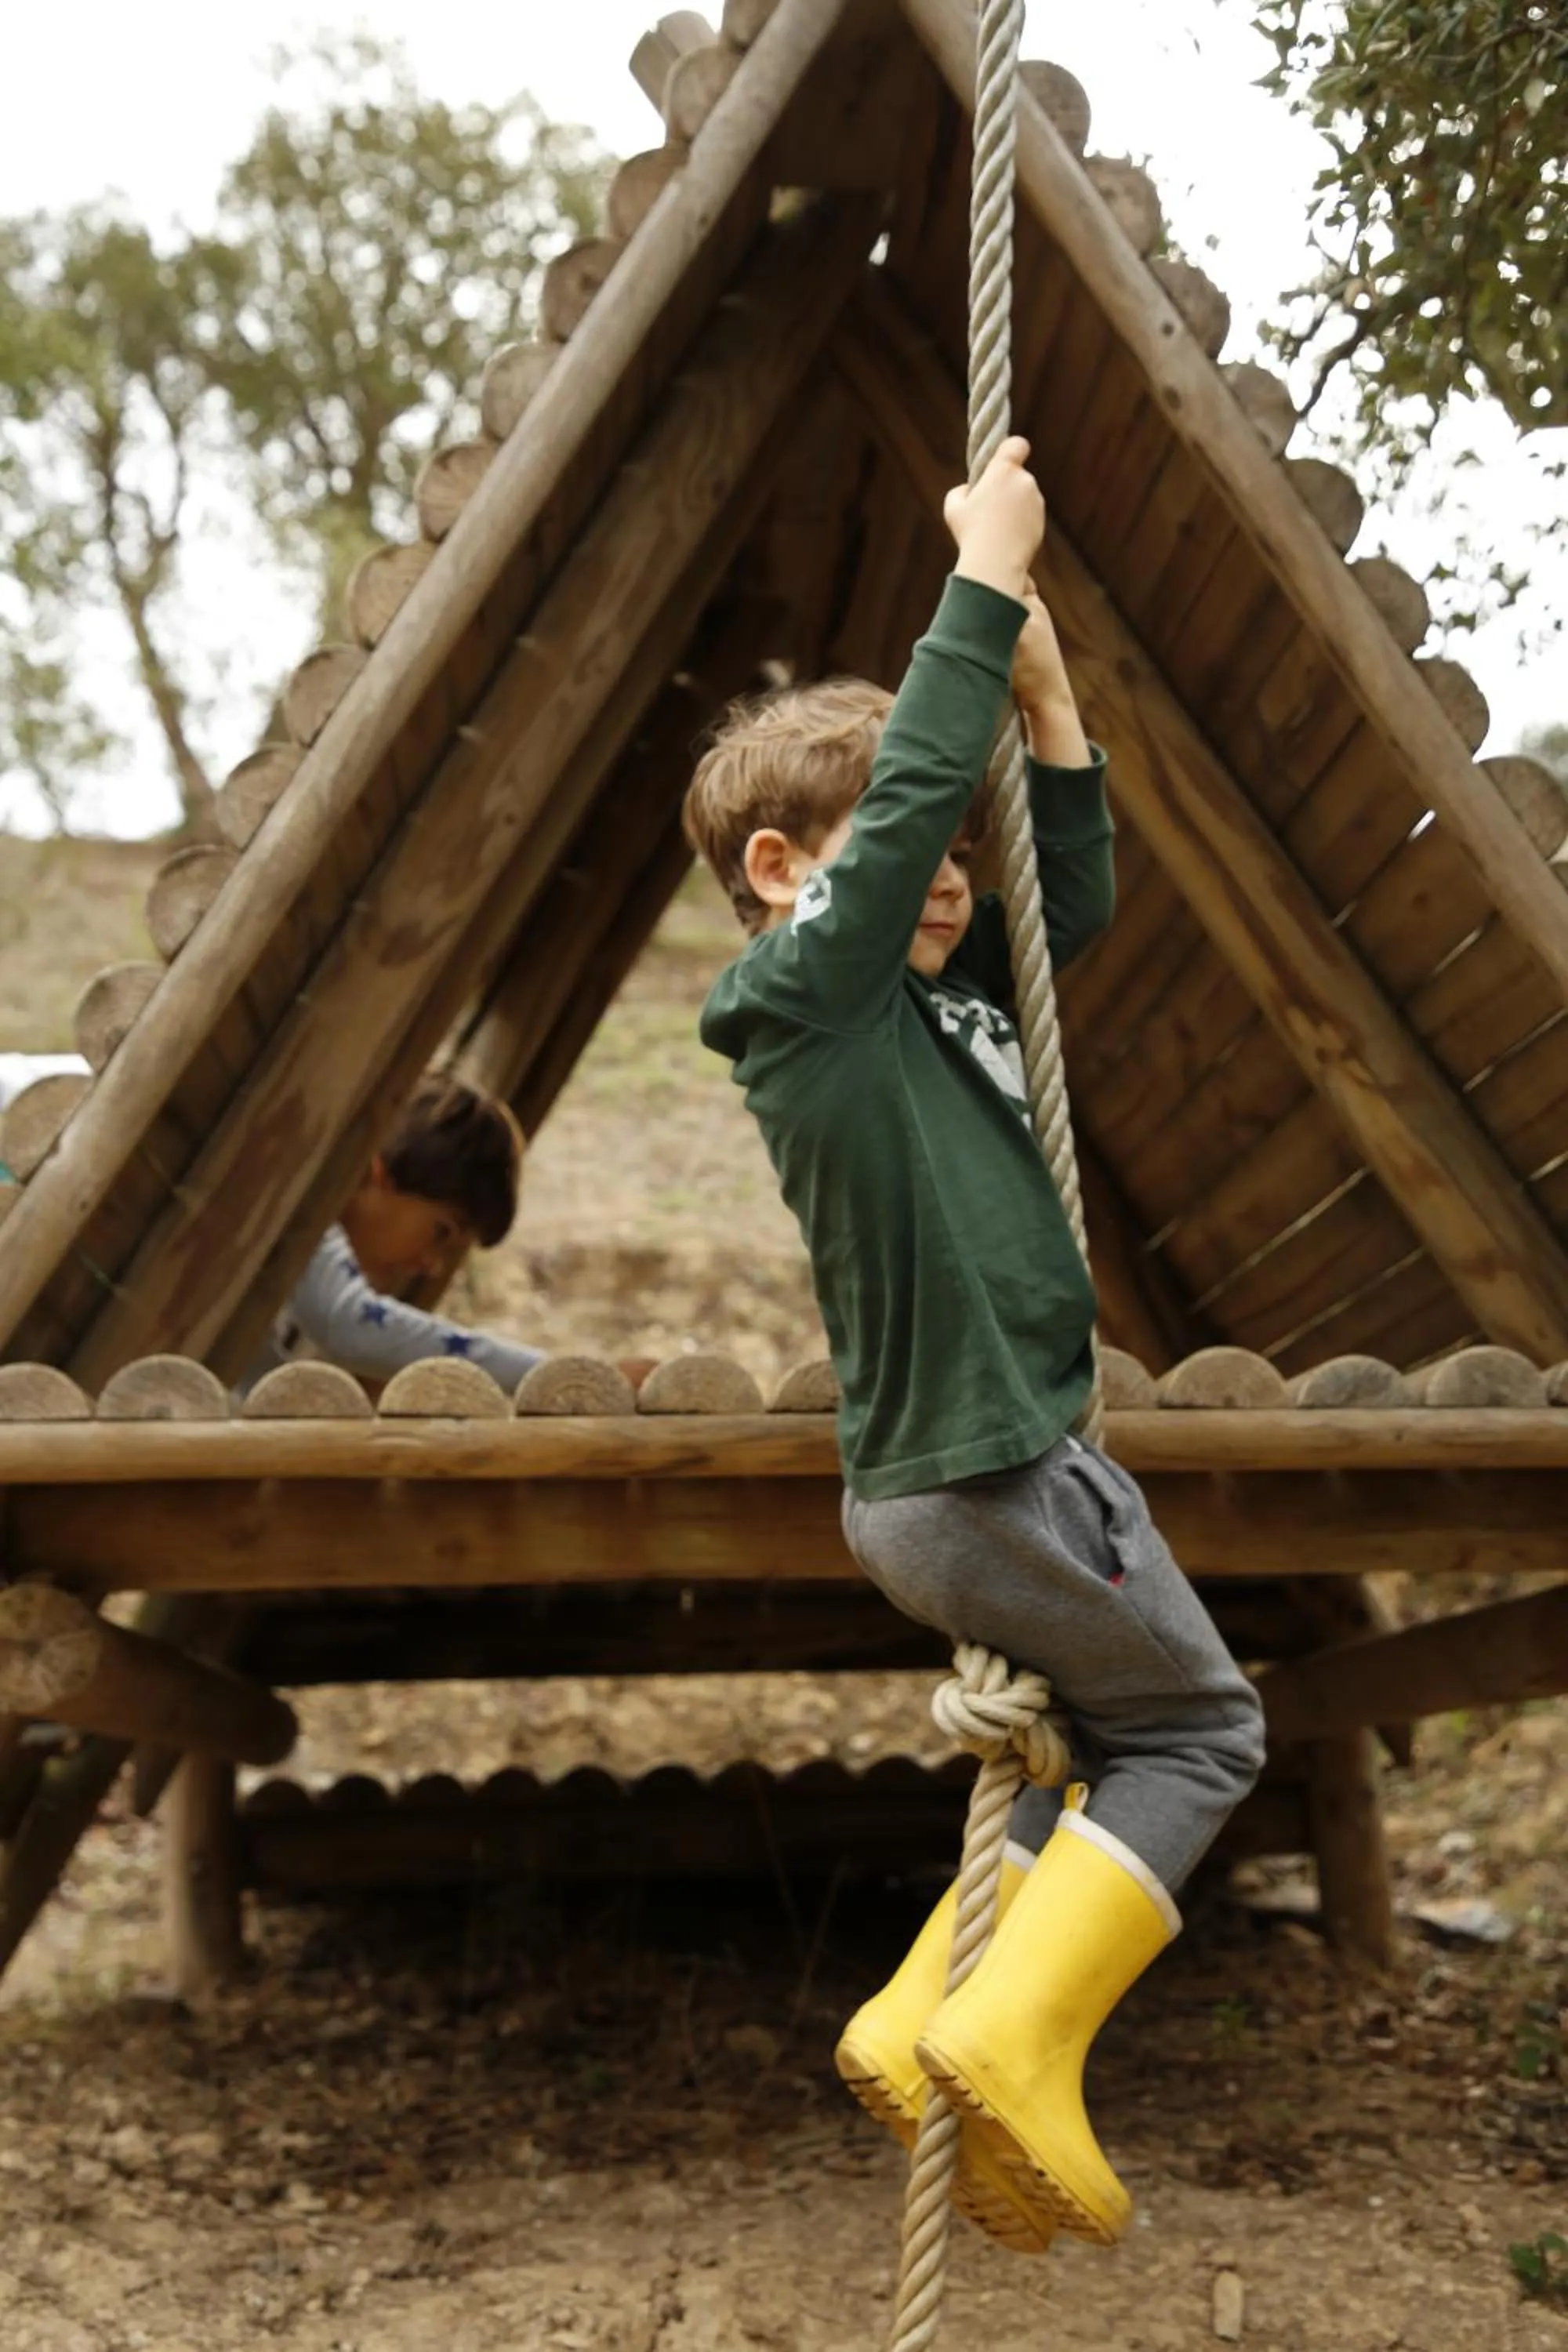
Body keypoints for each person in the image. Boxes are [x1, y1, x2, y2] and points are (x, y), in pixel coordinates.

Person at [684, 439, 1265, 2254]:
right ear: (783, 873)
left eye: (948, 847)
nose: (940, 870)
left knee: (1099, 1743)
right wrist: (982, 580)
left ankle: (916, 2009)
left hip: (965, 1471)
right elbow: (921, 762)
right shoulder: (797, 1003)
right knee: (1199, 1726)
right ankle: (1013, 2030)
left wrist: (1053, 697)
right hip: (980, 1464)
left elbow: (1059, 901)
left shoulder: (937, 1003)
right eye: (898, 848)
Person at [240, 1073, 546, 1399]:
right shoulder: (300, 1208)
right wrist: (546, 1374)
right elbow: (349, 1325)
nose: (432, 1266)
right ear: (379, 1174)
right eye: (440, 1232)